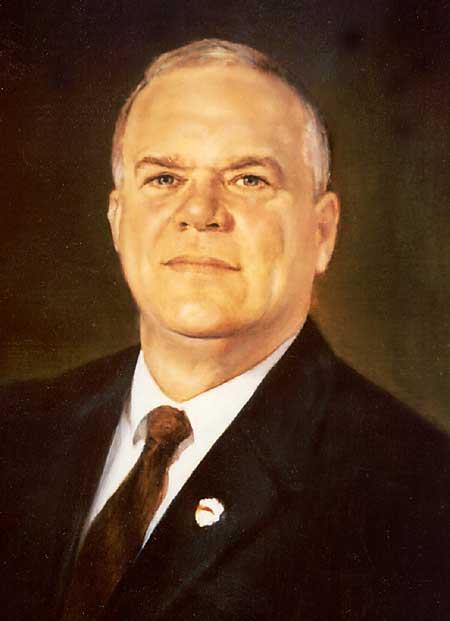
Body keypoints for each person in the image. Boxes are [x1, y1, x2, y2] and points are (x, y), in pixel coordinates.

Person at [1, 39, 449, 621]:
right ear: (117, 220)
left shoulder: (418, 491)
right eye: (164, 178)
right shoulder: (15, 431)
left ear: (322, 232)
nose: (200, 212)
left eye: (249, 179)